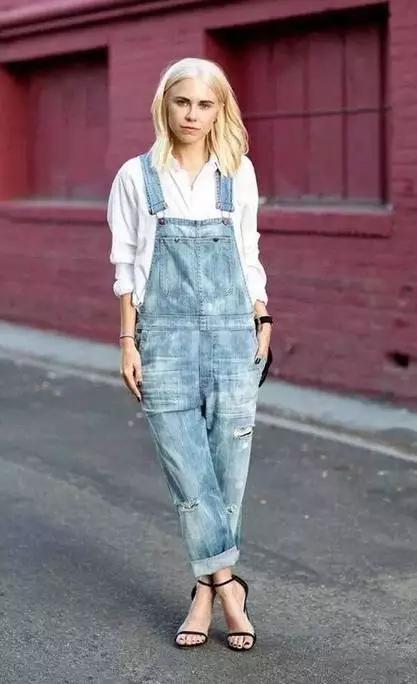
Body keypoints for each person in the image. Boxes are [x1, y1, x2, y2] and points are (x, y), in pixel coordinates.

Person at [107, 56, 272, 651]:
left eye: (205, 104)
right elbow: (127, 265)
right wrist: (128, 341)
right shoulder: (136, 176)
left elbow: (248, 252)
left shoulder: (239, 172)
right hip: (164, 340)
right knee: (188, 472)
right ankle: (229, 587)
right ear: (164, 105)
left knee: (230, 470)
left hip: (233, 334)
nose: (192, 115)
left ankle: (205, 591)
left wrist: (263, 315)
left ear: (219, 109)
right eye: (183, 102)